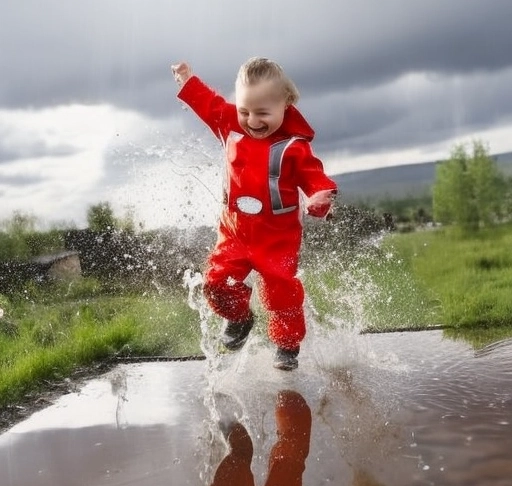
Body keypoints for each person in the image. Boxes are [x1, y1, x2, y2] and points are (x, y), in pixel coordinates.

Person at [171, 57, 337, 371]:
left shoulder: (293, 148)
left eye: (263, 113)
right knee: (216, 281)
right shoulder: (229, 124)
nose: (253, 121)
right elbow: (209, 104)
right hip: (234, 232)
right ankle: (240, 318)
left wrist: (319, 197)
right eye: (245, 111)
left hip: (277, 239)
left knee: (281, 293)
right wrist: (188, 81)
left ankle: (287, 345)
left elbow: (316, 179)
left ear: (286, 104)